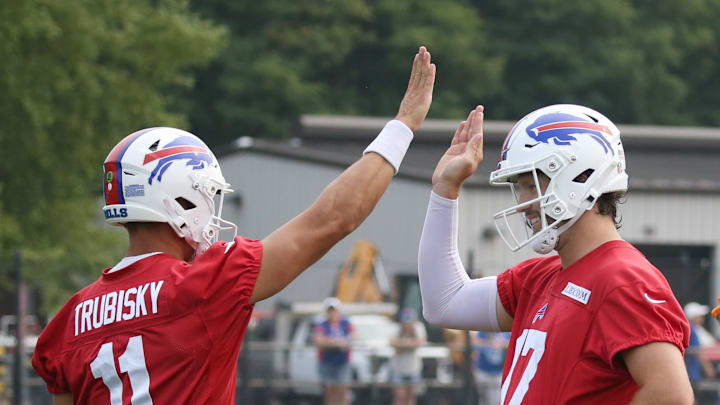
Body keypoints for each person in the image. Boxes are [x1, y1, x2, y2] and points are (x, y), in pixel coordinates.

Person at [30, 46, 436, 405]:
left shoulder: (69, 318)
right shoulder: (203, 285)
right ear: (180, 201)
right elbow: (333, 219)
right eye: (207, 195)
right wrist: (403, 126)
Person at [418, 104, 693, 404]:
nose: (523, 203)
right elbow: (443, 303)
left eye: (530, 185)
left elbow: (670, 394)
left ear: (579, 177)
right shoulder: (541, 276)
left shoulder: (623, 279)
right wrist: (445, 190)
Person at [389, 307, 426, 405]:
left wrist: (402, 344)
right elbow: (391, 341)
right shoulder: (397, 328)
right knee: (399, 396)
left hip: (414, 368)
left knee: (411, 397)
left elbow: (420, 341)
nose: (408, 324)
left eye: (410, 321)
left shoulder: (419, 327)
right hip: (398, 368)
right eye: (406, 321)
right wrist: (409, 344)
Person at [684, 302, 717, 401]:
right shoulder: (691, 329)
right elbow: (697, 351)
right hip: (691, 373)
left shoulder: (694, 329)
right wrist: (708, 368)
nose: (702, 318)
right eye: (699, 316)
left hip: (692, 372)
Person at [472, 331, 509, 405]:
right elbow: (475, 343)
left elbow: (513, 342)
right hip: (483, 370)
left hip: (498, 372)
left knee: (495, 400)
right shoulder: (483, 330)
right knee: (482, 399)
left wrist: (502, 344)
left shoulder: (506, 330)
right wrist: (490, 343)